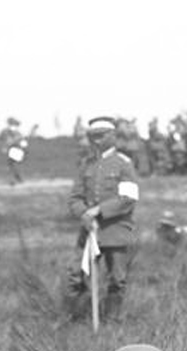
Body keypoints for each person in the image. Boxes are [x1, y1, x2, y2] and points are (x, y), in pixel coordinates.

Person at [66, 116, 140, 324]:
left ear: (112, 136)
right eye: (92, 136)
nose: (96, 140)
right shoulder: (86, 165)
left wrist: (98, 210)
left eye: (101, 135)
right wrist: (83, 213)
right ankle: (77, 319)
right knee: (76, 275)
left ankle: (112, 321)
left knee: (117, 279)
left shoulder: (124, 164)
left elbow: (128, 199)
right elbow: (74, 198)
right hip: (90, 232)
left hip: (115, 231)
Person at [0, 118, 26, 186]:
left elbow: (12, 140)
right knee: (12, 166)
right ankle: (17, 179)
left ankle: (16, 180)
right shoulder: (14, 131)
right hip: (14, 149)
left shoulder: (13, 131)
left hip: (15, 150)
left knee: (13, 166)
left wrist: (6, 146)